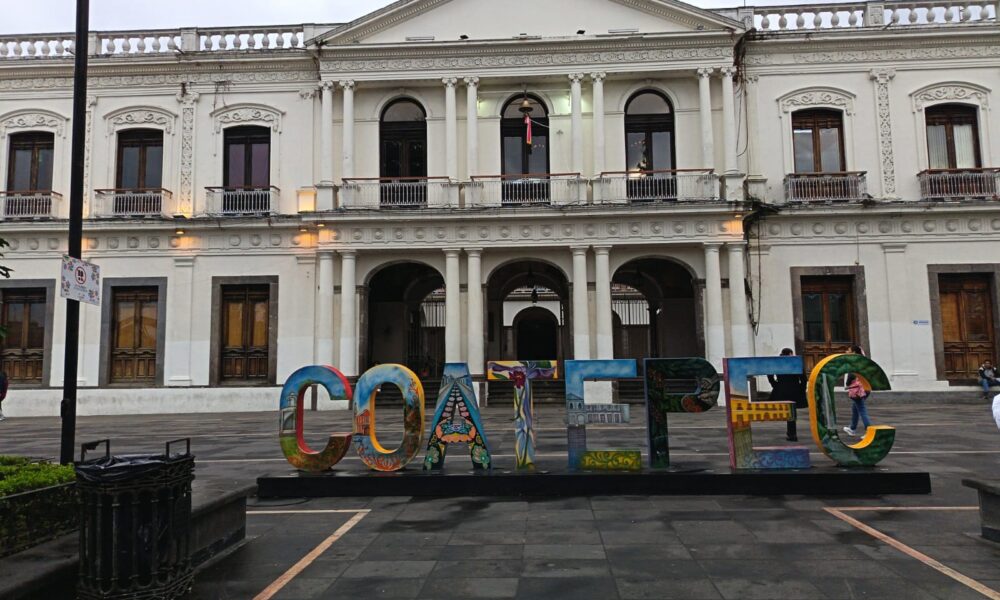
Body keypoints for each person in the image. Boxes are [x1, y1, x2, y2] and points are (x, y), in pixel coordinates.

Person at [768, 348, 807, 442]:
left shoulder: (777, 363)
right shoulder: (795, 363)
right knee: (791, 412)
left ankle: (790, 434)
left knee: (783, 411)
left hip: (781, 389)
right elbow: (803, 378)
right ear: (790, 353)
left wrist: (775, 385)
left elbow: (770, 375)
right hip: (794, 389)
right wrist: (801, 389)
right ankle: (792, 434)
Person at [843, 345, 871, 437]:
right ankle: (852, 428)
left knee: (862, 410)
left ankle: (869, 432)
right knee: (855, 408)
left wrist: (847, 384)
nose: (846, 351)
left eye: (848, 350)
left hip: (858, 390)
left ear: (854, 352)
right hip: (866, 388)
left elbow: (851, 375)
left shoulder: (854, 362)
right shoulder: (863, 361)